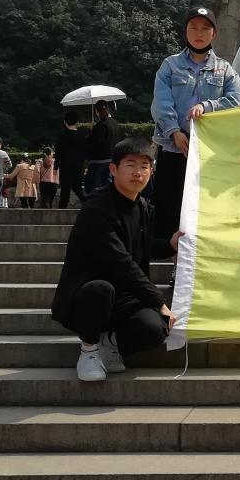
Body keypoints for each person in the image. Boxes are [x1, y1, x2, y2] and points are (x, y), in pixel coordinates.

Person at [51, 137, 174, 383]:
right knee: (101, 290)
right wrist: (159, 300)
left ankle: (110, 341)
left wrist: (171, 244)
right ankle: (89, 350)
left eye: (144, 166)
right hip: (88, 294)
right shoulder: (96, 208)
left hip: (125, 295)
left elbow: (140, 248)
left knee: (155, 328)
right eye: (130, 165)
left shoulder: (141, 205)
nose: (138, 172)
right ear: (113, 169)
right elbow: (119, 261)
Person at [151, 5, 240, 253]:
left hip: (209, 152)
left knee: (204, 209)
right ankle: (172, 263)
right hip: (174, 148)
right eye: (193, 28)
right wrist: (174, 132)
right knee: (170, 208)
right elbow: (161, 103)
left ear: (214, 33)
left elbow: (237, 100)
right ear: (185, 32)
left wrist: (208, 105)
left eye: (205, 28)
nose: (199, 33)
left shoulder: (224, 69)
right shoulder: (170, 66)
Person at [84, 101, 125, 196]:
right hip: (112, 158)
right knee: (107, 183)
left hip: (99, 160)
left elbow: (96, 143)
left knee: (91, 184)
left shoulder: (100, 125)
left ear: (97, 111)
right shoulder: (115, 123)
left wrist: (91, 133)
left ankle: (94, 202)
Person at [54, 112, 87, 208]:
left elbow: (58, 152)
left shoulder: (62, 135)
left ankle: (61, 210)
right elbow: (84, 153)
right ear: (77, 122)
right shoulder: (81, 136)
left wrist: (56, 166)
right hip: (78, 166)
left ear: (65, 122)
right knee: (78, 189)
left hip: (65, 166)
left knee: (65, 190)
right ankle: (88, 204)